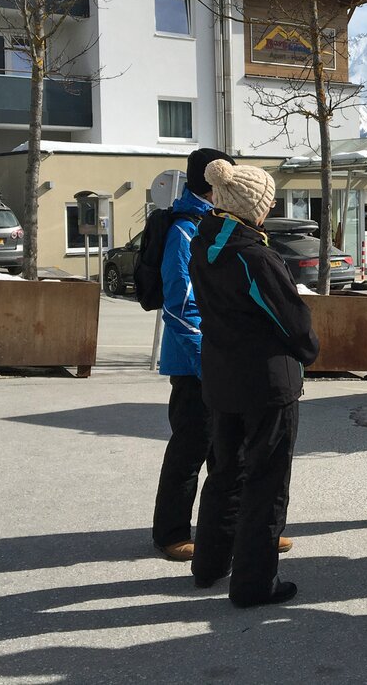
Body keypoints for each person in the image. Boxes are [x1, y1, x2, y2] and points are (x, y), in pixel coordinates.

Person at [188, 160, 319, 607]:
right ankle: (254, 583)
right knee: (267, 481)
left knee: (225, 474)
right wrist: (309, 351)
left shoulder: (204, 242)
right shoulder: (254, 256)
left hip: (221, 378)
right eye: (269, 200)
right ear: (253, 207)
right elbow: (293, 321)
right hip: (266, 384)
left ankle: (209, 564)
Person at [151, 147, 232, 562]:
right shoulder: (185, 230)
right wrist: (205, 362)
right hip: (194, 363)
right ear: (213, 184)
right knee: (190, 450)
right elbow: (180, 304)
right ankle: (171, 533)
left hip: (220, 361)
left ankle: (231, 529)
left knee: (227, 452)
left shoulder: (215, 224)